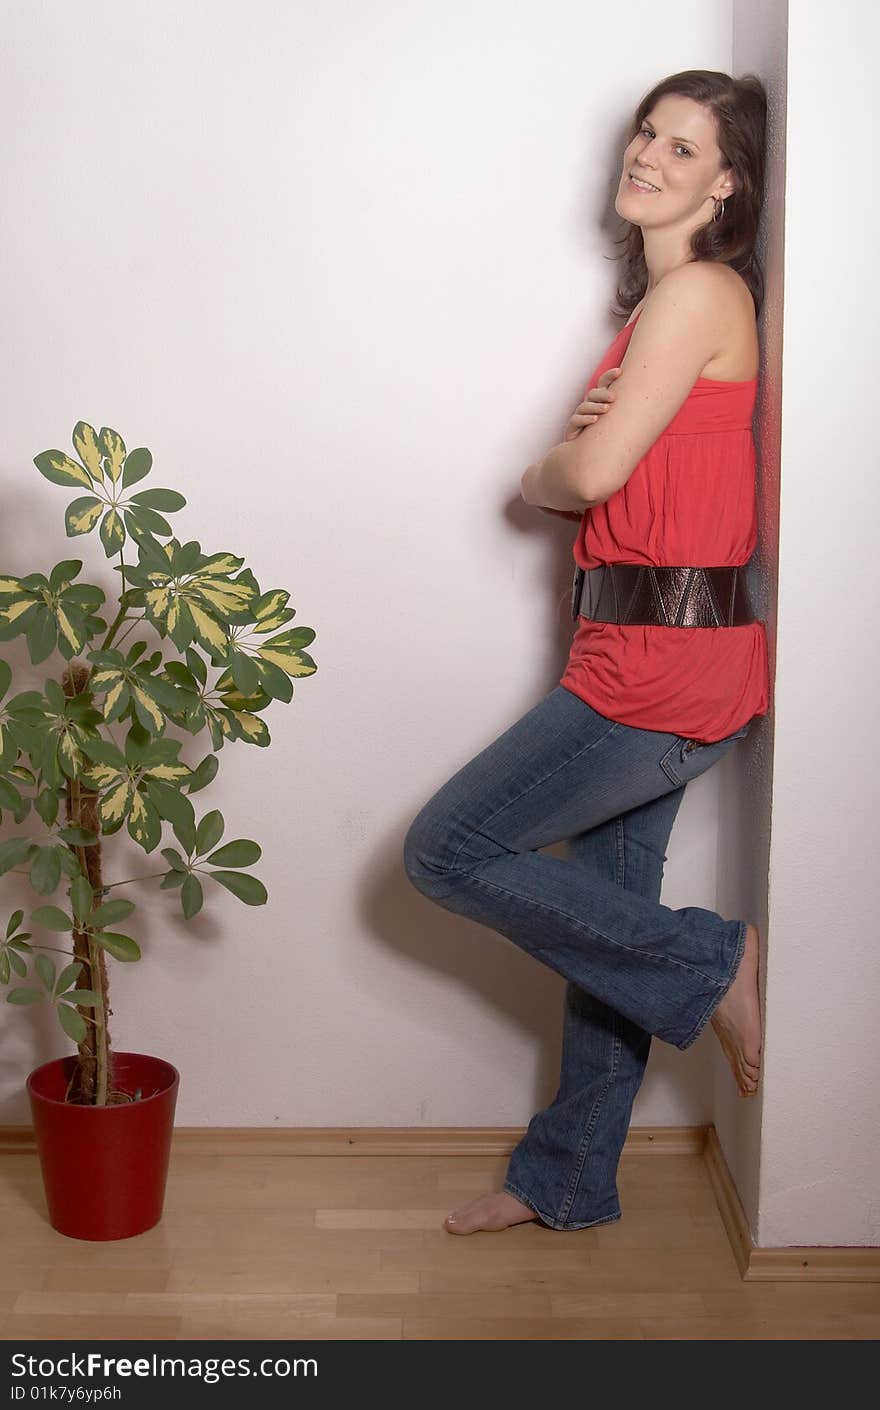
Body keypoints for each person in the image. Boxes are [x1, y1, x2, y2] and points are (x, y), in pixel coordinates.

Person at [403, 70, 770, 1238]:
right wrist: (576, 466)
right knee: (606, 920)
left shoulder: (699, 293)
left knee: (444, 849)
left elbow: (585, 474)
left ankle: (713, 963)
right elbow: (607, 479)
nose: (648, 155)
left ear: (726, 184)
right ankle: (564, 1178)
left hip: (661, 668)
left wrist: (543, 471)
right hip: (631, 648)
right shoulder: (661, 312)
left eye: (683, 146)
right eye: (645, 132)